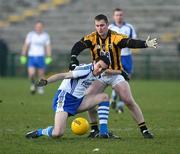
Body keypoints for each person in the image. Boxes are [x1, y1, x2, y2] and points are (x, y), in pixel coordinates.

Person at [69, 14, 157, 139]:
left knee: (128, 100)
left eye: (102, 25)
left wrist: (145, 44)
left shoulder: (115, 36)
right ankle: (94, 129)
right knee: (89, 99)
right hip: (99, 75)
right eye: (97, 26)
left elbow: (129, 42)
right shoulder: (92, 38)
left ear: (107, 25)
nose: (99, 28)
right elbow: (78, 45)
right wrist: (73, 58)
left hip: (115, 74)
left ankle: (144, 130)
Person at [25, 56, 120, 139]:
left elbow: (108, 73)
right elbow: (63, 75)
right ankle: (40, 132)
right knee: (57, 133)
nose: (100, 70)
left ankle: (103, 132)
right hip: (65, 99)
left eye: (103, 69)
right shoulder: (84, 70)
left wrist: (121, 72)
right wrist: (46, 81)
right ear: (94, 62)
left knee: (104, 97)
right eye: (99, 66)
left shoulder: (98, 73)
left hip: (78, 101)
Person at [108, 8, 137, 113]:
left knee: (126, 80)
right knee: (116, 80)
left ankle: (117, 101)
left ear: (123, 16)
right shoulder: (110, 28)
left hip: (127, 57)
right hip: (115, 58)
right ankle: (118, 103)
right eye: (117, 15)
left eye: (120, 15)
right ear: (113, 16)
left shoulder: (129, 27)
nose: (119, 17)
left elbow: (133, 41)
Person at [20, 20, 52, 94]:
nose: (39, 28)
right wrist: (23, 55)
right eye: (37, 26)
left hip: (41, 56)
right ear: (35, 27)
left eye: (40, 27)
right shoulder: (30, 35)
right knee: (31, 74)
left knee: (41, 74)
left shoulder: (45, 35)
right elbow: (26, 45)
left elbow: (48, 46)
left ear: (42, 27)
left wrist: (49, 56)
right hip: (31, 57)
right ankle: (33, 85)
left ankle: (41, 87)